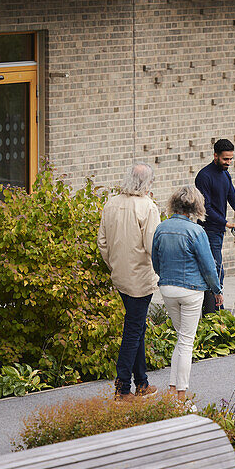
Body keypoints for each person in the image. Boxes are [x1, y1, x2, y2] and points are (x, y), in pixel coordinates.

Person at [151, 185, 222, 404]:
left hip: (168, 289)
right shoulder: (196, 231)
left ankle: (173, 389)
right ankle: (181, 396)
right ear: (196, 206)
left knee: (181, 339)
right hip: (191, 290)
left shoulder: (161, 228)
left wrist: (165, 277)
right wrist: (217, 290)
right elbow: (209, 266)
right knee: (186, 342)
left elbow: (156, 261)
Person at [97, 162, 161, 400]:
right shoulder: (147, 207)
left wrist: (113, 264)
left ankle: (142, 383)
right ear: (147, 183)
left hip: (120, 275)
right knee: (134, 330)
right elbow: (152, 246)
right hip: (140, 278)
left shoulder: (111, 203)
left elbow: (102, 242)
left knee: (137, 327)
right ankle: (123, 387)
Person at [194, 139, 235, 314]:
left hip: (218, 231)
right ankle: (215, 313)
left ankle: (214, 312)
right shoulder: (204, 177)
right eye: (225, 159)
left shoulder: (225, 175)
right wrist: (227, 223)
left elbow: (233, 198)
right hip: (207, 231)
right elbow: (205, 208)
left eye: (231, 159)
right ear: (215, 155)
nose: (228, 163)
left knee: (215, 270)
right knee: (215, 271)